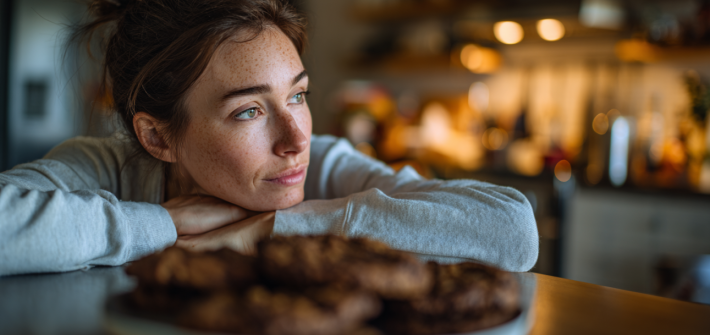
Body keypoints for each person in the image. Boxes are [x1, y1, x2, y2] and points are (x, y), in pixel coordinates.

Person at [0, 0, 538, 277]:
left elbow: (513, 230)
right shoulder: (105, 171)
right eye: (250, 110)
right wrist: (159, 224)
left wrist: (280, 228)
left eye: (298, 96)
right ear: (158, 136)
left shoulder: (323, 166)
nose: (296, 138)